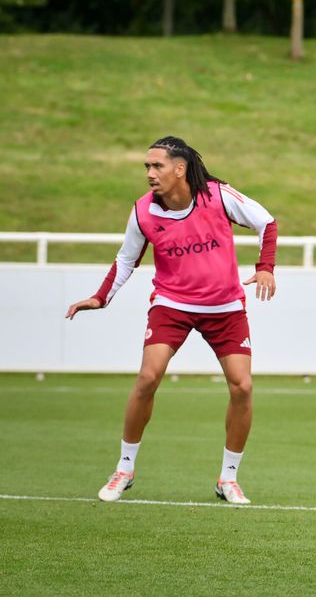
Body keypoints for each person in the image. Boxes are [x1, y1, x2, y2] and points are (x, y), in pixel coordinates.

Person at [65, 137, 278, 505]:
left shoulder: (218, 195)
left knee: (242, 387)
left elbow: (267, 223)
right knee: (148, 377)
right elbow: (125, 259)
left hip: (225, 308)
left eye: (157, 166)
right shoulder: (143, 211)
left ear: (179, 169)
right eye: (146, 167)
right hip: (172, 305)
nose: (150, 173)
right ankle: (124, 469)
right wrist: (101, 296)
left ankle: (228, 479)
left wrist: (265, 269)